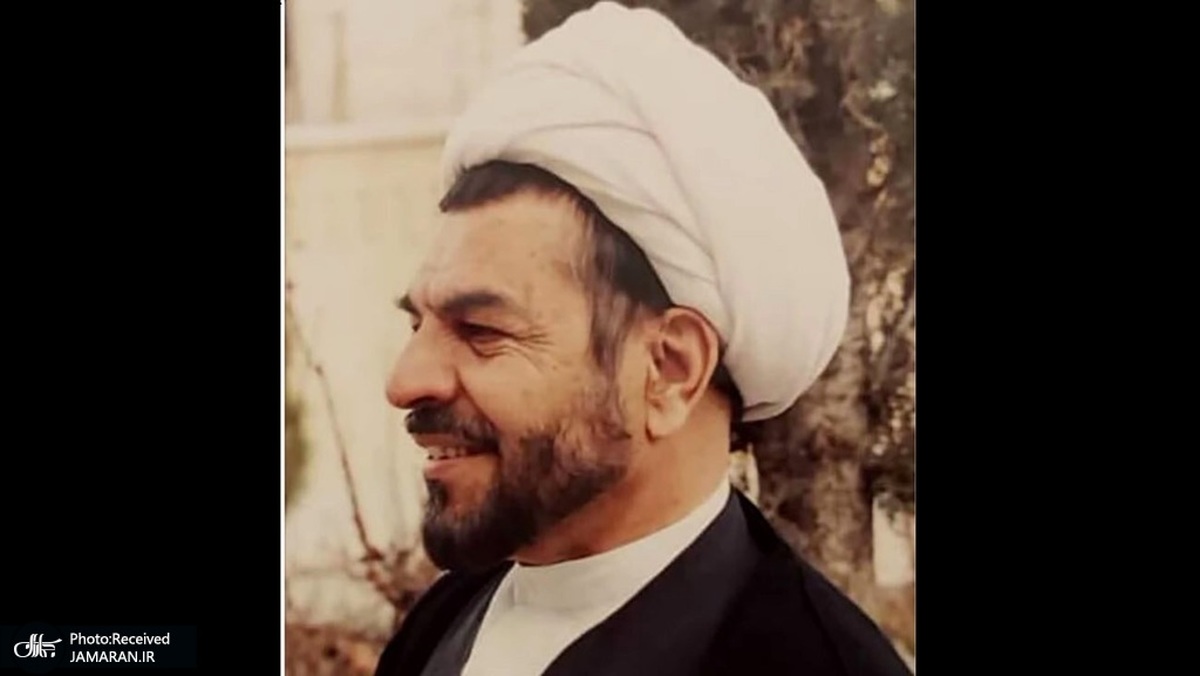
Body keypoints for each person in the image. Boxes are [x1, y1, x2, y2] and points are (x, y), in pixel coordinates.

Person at [375, 3, 914, 675]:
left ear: (669, 370)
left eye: (481, 330)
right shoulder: (448, 617)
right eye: (418, 323)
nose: (405, 381)